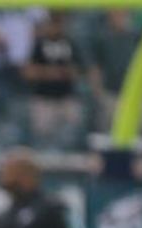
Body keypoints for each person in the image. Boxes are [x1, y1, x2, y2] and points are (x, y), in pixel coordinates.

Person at [23, 12, 84, 148]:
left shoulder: (70, 43)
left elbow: (80, 70)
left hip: (66, 97)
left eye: (59, 24)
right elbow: (28, 71)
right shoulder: (39, 44)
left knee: (73, 133)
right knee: (43, 137)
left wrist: (65, 72)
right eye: (53, 24)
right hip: (44, 98)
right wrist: (49, 72)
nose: (56, 28)